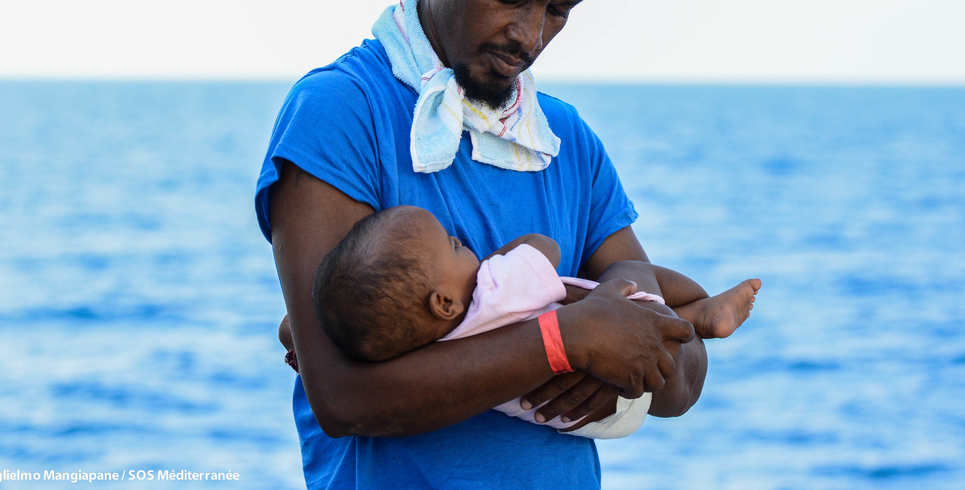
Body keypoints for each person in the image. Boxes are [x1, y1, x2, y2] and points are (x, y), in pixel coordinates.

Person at [256, 0, 712, 489]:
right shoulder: (341, 112)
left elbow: (685, 381)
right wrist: (566, 342)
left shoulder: (566, 140)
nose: (530, 35)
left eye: (558, 10)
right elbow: (344, 396)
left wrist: (621, 364)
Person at [295, 205, 760, 439]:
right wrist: (494, 261)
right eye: (452, 245)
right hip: (626, 375)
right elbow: (544, 247)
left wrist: (305, 332)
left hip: (587, 418)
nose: (461, 241)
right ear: (442, 302)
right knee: (630, 276)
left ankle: (691, 315)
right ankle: (699, 308)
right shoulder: (493, 293)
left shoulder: (424, 348)